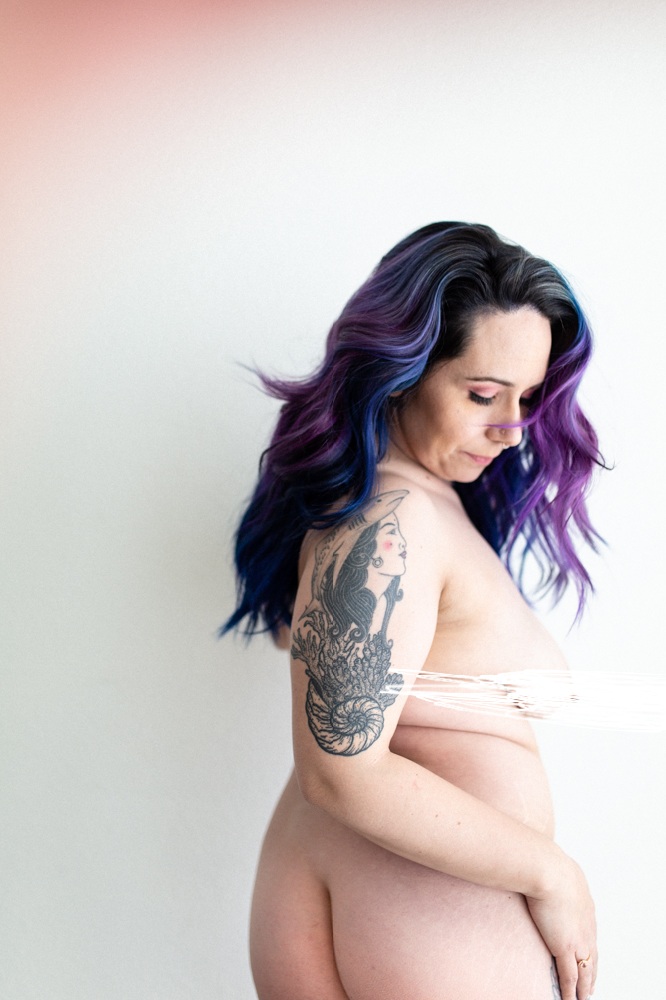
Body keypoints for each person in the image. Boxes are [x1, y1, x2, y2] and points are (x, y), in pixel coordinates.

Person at [223, 222, 604, 1000]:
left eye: (527, 397)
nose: (512, 429)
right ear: (400, 374)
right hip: (415, 911)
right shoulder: (393, 522)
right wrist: (552, 873)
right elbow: (342, 771)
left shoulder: (399, 507)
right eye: (482, 394)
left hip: (373, 897)